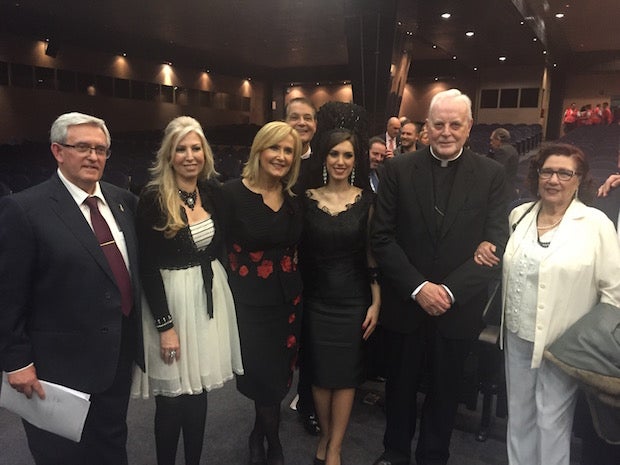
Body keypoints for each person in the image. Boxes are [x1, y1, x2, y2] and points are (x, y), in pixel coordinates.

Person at [371, 89, 509, 465]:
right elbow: (381, 237)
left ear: (469, 128)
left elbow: (496, 243)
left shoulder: (492, 174)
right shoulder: (397, 169)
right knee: (399, 387)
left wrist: (447, 291)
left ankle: (434, 455)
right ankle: (395, 451)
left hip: (457, 307)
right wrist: (419, 288)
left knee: (446, 390)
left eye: (455, 124)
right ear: (426, 127)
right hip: (406, 302)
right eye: (439, 124)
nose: (446, 132)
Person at [0, 112, 144, 465]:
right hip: (56, 366)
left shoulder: (124, 202)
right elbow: (7, 294)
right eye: (82, 147)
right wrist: (17, 361)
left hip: (115, 355)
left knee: (111, 444)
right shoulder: (25, 209)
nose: (93, 157)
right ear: (58, 151)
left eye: (101, 149)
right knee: (60, 453)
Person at [477, 142, 620, 465]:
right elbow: (506, 261)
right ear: (537, 175)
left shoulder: (595, 224)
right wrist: (485, 251)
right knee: (520, 416)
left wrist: (595, 340)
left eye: (565, 173)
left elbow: (614, 291)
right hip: (517, 333)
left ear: (579, 179)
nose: (554, 180)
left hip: (565, 343)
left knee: (552, 420)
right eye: (548, 171)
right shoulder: (520, 215)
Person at [131, 116, 243, 465]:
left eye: (196, 148)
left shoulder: (212, 192)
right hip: (170, 303)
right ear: (169, 154)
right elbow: (147, 267)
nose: (189, 155)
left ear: (205, 153)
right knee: (172, 399)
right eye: (181, 148)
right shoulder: (152, 198)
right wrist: (165, 327)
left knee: (198, 392)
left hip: (206, 298)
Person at [222, 121, 303, 465]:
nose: (281, 156)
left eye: (288, 151)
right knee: (261, 378)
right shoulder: (229, 193)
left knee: (277, 379)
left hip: (288, 303)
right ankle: (271, 442)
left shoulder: (294, 200)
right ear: (259, 150)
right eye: (275, 148)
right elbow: (217, 247)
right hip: (248, 303)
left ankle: (261, 435)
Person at [300, 129, 380, 465]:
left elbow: (372, 256)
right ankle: (324, 434)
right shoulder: (305, 199)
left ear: (355, 161)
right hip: (316, 299)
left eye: (347, 156)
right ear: (324, 158)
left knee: (346, 376)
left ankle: (335, 447)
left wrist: (377, 302)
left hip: (354, 300)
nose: (340, 162)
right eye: (334, 154)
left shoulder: (368, 201)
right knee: (320, 374)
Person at [284, 96, 321, 436]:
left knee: (309, 338)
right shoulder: (274, 160)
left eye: (308, 117)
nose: (302, 123)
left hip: (314, 264)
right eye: (295, 117)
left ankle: (307, 401)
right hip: (277, 267)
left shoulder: (323, 163)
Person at [488, 127, 519, 200]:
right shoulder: (511, 148)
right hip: (509, 188)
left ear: (498, 139)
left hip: (503, 192)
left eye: (492, 140)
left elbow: (497, 171)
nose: (491, 143)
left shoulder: (502, 151)